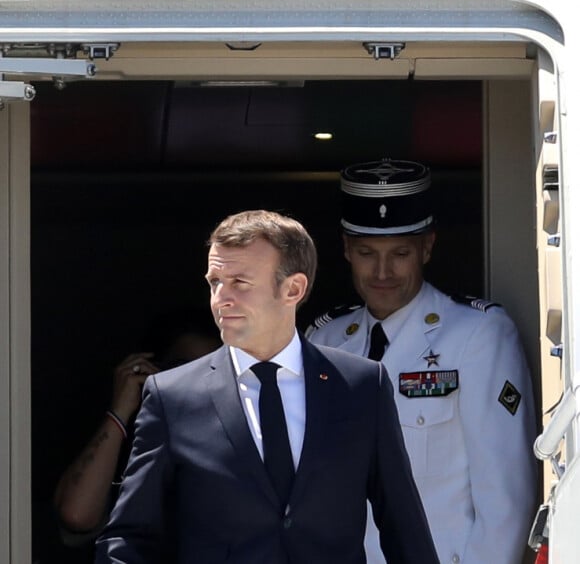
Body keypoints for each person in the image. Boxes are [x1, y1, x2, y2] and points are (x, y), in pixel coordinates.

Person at [95, 209, 439, 564]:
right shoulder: (172, 396)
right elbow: (129, 537)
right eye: (215, 282)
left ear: (293, 289)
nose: (221, 298)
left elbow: (405, 531)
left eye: (240, 282)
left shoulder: (361, 386)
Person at [307, 158, 537, 564]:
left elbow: (505, 496)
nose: (382, 272)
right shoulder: (323, 340)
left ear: (427, 247)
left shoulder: (477, 335)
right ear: (345, 250)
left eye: (399, 253)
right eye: (365, 253)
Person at [53, 315, 221, 549]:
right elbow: (77, 515)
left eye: (209, 371)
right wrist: (120, 410)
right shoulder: (132, 448)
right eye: (182, 368)